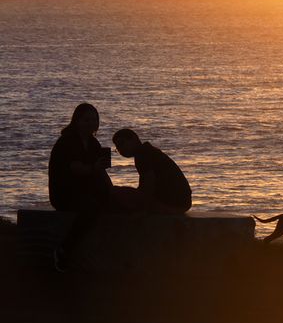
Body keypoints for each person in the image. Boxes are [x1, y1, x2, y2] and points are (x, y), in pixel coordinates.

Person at [48, 103, 115, 271]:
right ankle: (64, 249)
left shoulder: (93, 143)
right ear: (76, 121)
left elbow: (100, 173)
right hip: (64, 193)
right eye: (86, 120)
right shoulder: (68, 141)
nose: (90, 123)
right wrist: (95, 169)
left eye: (94, 120)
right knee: (91, 209)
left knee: (111, 201)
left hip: (85, 191)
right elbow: (75, 168)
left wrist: (112, 190)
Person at [112, 128, 192, 214]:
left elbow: (148, 188)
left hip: (174, 204)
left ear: (133, 138)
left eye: (121, 144)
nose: (120, 149)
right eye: (118, 147)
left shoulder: (143, 155)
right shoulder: (147, 151)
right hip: (182, 202)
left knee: (117, 193)